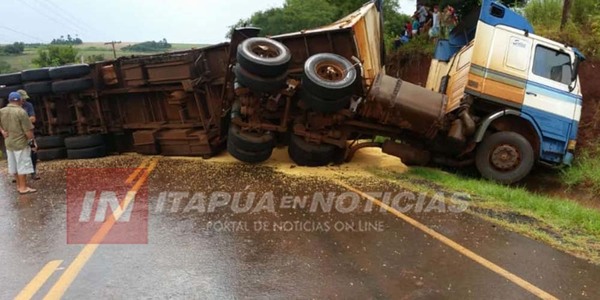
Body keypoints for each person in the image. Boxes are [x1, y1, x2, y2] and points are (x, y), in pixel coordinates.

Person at [0, 92, 37, 194]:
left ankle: (18, 185)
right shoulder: (21, 112)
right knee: (22, 165)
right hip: (20, 143)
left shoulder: (2, 111)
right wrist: (32, 143)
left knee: (14, 165)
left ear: (9, 100)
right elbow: (28, 131)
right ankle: (23, 188)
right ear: (20, 100)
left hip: (9, 143)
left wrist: (2, 131)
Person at [17, 89, 40, 180]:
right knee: (18, 153)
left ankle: (33, 171)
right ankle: (19, 174)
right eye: (23, 98)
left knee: (33, 150)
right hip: (17, 133)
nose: (24, 100)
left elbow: (33, 118)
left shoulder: (28, 105)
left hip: (28, 131)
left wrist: (21, 122)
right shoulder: (12, 108)